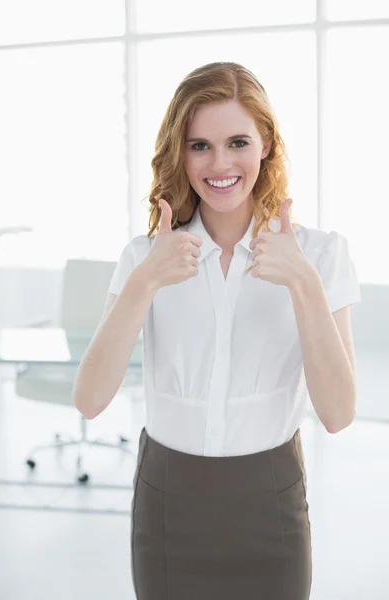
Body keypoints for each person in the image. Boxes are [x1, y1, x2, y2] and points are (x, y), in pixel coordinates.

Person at [73, 61, 361, 599]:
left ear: (267, 144)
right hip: (168, 502)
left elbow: (339, 414)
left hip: (269, 503)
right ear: (179, 154)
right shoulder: (145, 257)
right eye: (199, 145)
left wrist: (301, 282)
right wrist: (144, 283)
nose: (220, 163)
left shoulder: (320, 255)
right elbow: (89, 400)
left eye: (237, 141)